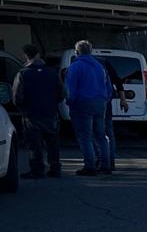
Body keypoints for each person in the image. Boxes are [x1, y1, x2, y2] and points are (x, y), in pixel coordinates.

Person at [11, 43, 64, 179]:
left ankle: (37, 170)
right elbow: (62, 93)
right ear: (38, 55)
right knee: (52, 143)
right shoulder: (52, 72)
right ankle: (55, 168)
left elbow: (17, 96)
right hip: (50, 113)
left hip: (31, 114)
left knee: (34, 144)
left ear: (25, 56)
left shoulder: (22, 73)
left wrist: (22, 107)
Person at [63, 39, 112, 176]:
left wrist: (70, 102)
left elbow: (70, 89)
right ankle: (105, 165)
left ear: (77, 52)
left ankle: (90, 166)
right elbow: (109, 88)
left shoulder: (75, 67)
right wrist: (104, 100)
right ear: (90, 51)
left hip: (82, 104)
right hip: (100, 103)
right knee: (100, 135)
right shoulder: (100, 66)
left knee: (85, 136)